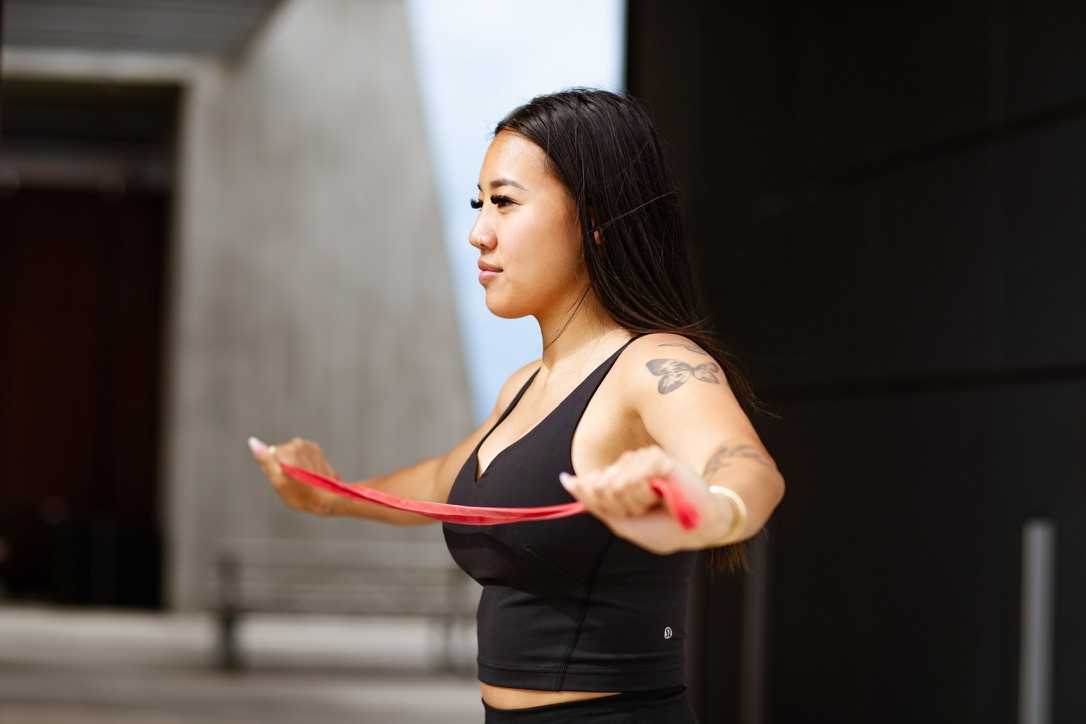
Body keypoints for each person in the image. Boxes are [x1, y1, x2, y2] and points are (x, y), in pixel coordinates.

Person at [249, 88, 784, 723]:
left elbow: (748, 469)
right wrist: (333, 495)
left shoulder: (650, 363)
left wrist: (705, 512)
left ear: (594, 216)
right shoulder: (525, 385)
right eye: (480, 204)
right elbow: (447, 478)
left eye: (504, 202)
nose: (478, 232)